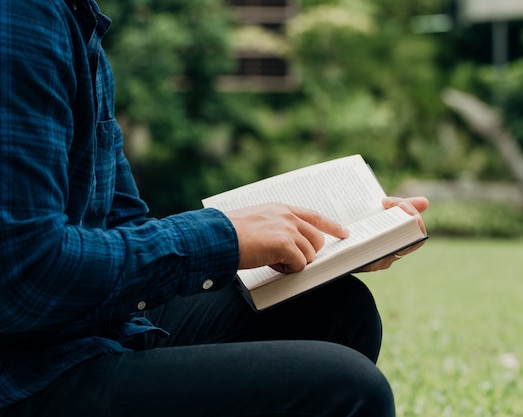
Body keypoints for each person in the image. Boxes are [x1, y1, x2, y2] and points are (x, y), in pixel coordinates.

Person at [0, 1, 429, 416]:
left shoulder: (77, 17)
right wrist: (222, 236)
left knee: (338, 310)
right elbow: (26, 270)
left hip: (82, 326)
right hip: (25, 368)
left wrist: (325, 245)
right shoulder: (22, 17)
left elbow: (120, 222)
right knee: (349, 391)